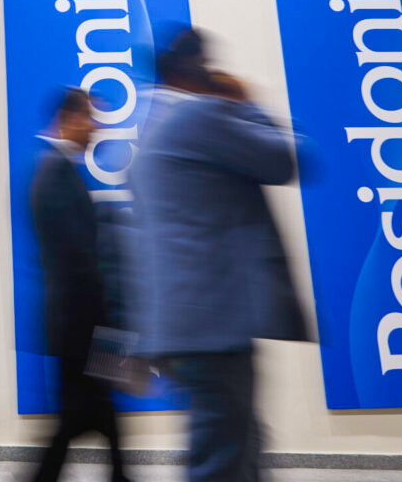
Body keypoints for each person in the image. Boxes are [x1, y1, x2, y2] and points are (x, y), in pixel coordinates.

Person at [130, 28, 307, 482]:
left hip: (176, 330)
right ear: (196, 71)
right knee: (223, 462)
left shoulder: (150, 133)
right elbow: (288, 160)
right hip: (214, 328)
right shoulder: (201, 116)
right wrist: (247, 102)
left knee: (240, 445)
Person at [28, 88, 130, 482]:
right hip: (80, 323)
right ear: (68, 119)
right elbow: (75, 257)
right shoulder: (54, 171)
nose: (95, 128)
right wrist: (110, 320)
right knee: (81, 412)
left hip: (83, 320)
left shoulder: (58, 169)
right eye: (90, 118)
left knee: (98, 408)